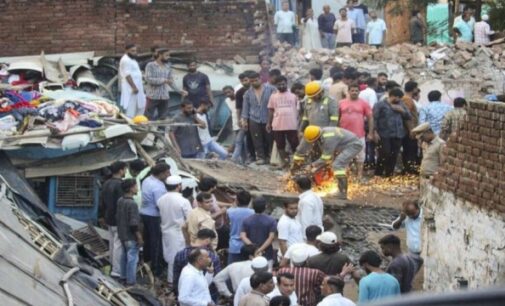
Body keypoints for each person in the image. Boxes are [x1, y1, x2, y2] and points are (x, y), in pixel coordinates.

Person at [292, 126, 363, 200]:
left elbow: (326, 158)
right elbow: (327, 158)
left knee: (338, 165)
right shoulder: (322, 133)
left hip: (354, 145)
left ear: (315, 138)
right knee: (335, 164)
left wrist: (312, 165)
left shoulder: (329, 138)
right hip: (345, 145)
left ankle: (342, 193)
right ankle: (341, 190)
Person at [157, 175, 192, 285]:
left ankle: (172, 280)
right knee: (176, 258)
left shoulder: (160, 200)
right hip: (178, 233)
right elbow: (190, 218)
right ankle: (173, 281)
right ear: (179, 186)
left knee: (170, 256)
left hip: (166, 231)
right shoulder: (183, 201)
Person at [141, 162, 170, 277]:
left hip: (144, 213)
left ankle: (146, 261)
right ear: (161, 174)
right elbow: (160, 205)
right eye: (167, 173)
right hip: (154, 216)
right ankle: (156, 268)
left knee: (148, 240)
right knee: (156, 242)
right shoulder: (159, 187)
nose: (168, 175)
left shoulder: (147, 180)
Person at [338, 83, 373, 180]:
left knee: (360, 156)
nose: (354, 92)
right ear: (348, 91)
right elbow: (337, 118)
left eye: (356, 91)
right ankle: (346, 175)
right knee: (344, 155)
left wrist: (370, 132)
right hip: (344, 135)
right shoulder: (341, 103)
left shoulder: (364, 103)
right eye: (352, 90)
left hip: (359, 134)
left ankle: (359, 175)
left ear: (359, 92)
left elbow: (370, 118)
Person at [373, 88, 411, 177]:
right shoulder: (380, 105)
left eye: (400, 98)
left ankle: (389, 174)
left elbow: (409, 116)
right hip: (384, 134)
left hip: (398, 134)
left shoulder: (401, 104)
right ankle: (378, 174)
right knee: (384, 153)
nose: (398, 100)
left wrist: (402, 111)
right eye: (397, 98)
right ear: (392, 96)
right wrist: (374, 131)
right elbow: (374, 118)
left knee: (394, 154)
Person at [241, 72, 277, 165]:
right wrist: (244, 120)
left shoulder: (271, 89)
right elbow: (245, 108)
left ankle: (270, 156)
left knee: (270, 138)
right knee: (256, 139)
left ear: (260, 79)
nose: (254, 83)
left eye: (255, 80)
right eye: (251, 81)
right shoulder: (248, 93)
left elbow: (276, 104)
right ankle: (261, 157)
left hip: (268, 118)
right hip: (254, 119)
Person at [173, 229, 221, 297]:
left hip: (184, 293)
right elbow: (218, 278)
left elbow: (176, 276)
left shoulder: (180, 254)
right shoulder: (212, 257)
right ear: (208, 240)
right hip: (207, 295)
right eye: (212, 241)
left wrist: (177, 292)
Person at [100, 161, 126, 278]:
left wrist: (102, 216)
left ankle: (112, 266)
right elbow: (121, 204)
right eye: (125, 169)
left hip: (108, 217)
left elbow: (102, 202)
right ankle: (117, 271)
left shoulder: (106, 183)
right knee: (118, 245)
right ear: (121, 170)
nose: (125, 172)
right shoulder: (121, 185)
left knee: (112, 244)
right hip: (118, 218)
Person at [144, 48, 187, 120]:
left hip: (164, 97)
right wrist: (163, 80)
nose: (168, 57)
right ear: (160, 55)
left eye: (169, 55)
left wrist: (180, 91)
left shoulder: (168, 66)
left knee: (163, 118)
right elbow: (148, 79)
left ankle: (162, 131)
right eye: (166, 55)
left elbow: (171, 81)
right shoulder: (150, 65)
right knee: (148, 118)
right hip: (152, 96)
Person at [267, 76, 299, 168]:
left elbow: (299, 109)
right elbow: (271, 110)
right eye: (279, 84)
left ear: (286, 83)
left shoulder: (293, 96)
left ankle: (296, 163)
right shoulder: (273, 96)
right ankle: (285, 163)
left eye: (283, 84)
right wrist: (269, 123)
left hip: (292, 125)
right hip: (277, 125)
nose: (281, 86)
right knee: (280, 145)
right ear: (276, 85)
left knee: (294, 144)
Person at [116, 179, 142, 286]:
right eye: (135, 186)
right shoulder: (132, 204)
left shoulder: (120, 200)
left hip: (122, 234)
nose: (137, 188)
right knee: (132, 258)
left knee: (124, 256)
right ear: (131, 188)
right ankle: (131, 281)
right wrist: (139, 236)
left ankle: (123, 277)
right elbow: (133, 223)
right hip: (130, 235)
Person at [241, 197, 277, 267]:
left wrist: (254, 248)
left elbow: (243, 236)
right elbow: (271, 238)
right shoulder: (271, 220)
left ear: (253, 207)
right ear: (266, 206)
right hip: (267, 254)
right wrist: (260, 250)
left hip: (250, 255)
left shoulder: (246, 220)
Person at [228, 190, 255, 264]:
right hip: (248, 246)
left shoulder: (230, 212)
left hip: (234, 246)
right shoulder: (253, 213)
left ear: (236, 200)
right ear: (249, 201)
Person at [119, 44, 146, 117]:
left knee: (141, 105)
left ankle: (137, 122)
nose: (135, 52)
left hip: (138, 86)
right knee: (131, 108)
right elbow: (127, 75)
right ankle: (130, 124)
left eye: (135, 51)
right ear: (126, 50)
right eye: (132, 51)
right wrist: (134, 87)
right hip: (131, 88)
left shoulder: (132, 59)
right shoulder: (125, 60)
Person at [235, 71, 255, 163]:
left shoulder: (256, 89)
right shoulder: (239, 92)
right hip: (246, 118)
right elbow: (238, 107)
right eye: (242, 81)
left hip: (257, 116)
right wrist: (239, 119)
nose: (244, 82)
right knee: (247, 138)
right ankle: (249, 157)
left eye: (246, 80)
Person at [401, 81, 420, 175]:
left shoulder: (408, 99)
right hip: (409, 130)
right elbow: (407, 117)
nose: (417, 90)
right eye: (416, 88)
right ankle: (409, 170)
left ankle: (409, 169)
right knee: (410, 150)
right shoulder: (407, 99)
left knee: (410, 150)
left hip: (410, 129)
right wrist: (411, 130)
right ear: (413, 89)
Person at [224, 85, 245, 162]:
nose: (228, 94)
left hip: (242, 122)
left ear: (233, 91)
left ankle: (234, 158)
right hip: (235, 123)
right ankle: (243, 160)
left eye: (229, 92)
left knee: (238, 141)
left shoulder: (239, 98)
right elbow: (231, 112)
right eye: (225, 93)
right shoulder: (226, 101)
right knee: (241, 142)